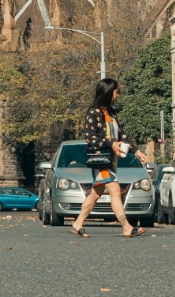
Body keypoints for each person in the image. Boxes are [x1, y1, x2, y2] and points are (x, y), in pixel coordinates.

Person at [71, 77, 135, 237]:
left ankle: (78, 223)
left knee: (95, 194)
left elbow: (122, 136)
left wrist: (136, 151)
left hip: (111, 161)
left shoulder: (111, 114)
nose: (118, 94)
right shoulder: (94, 113)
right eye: (116, 91)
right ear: (108, 93)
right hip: (101, 162)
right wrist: (110, 144)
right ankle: (126, 227)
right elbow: (90, 137)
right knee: (115, 191)